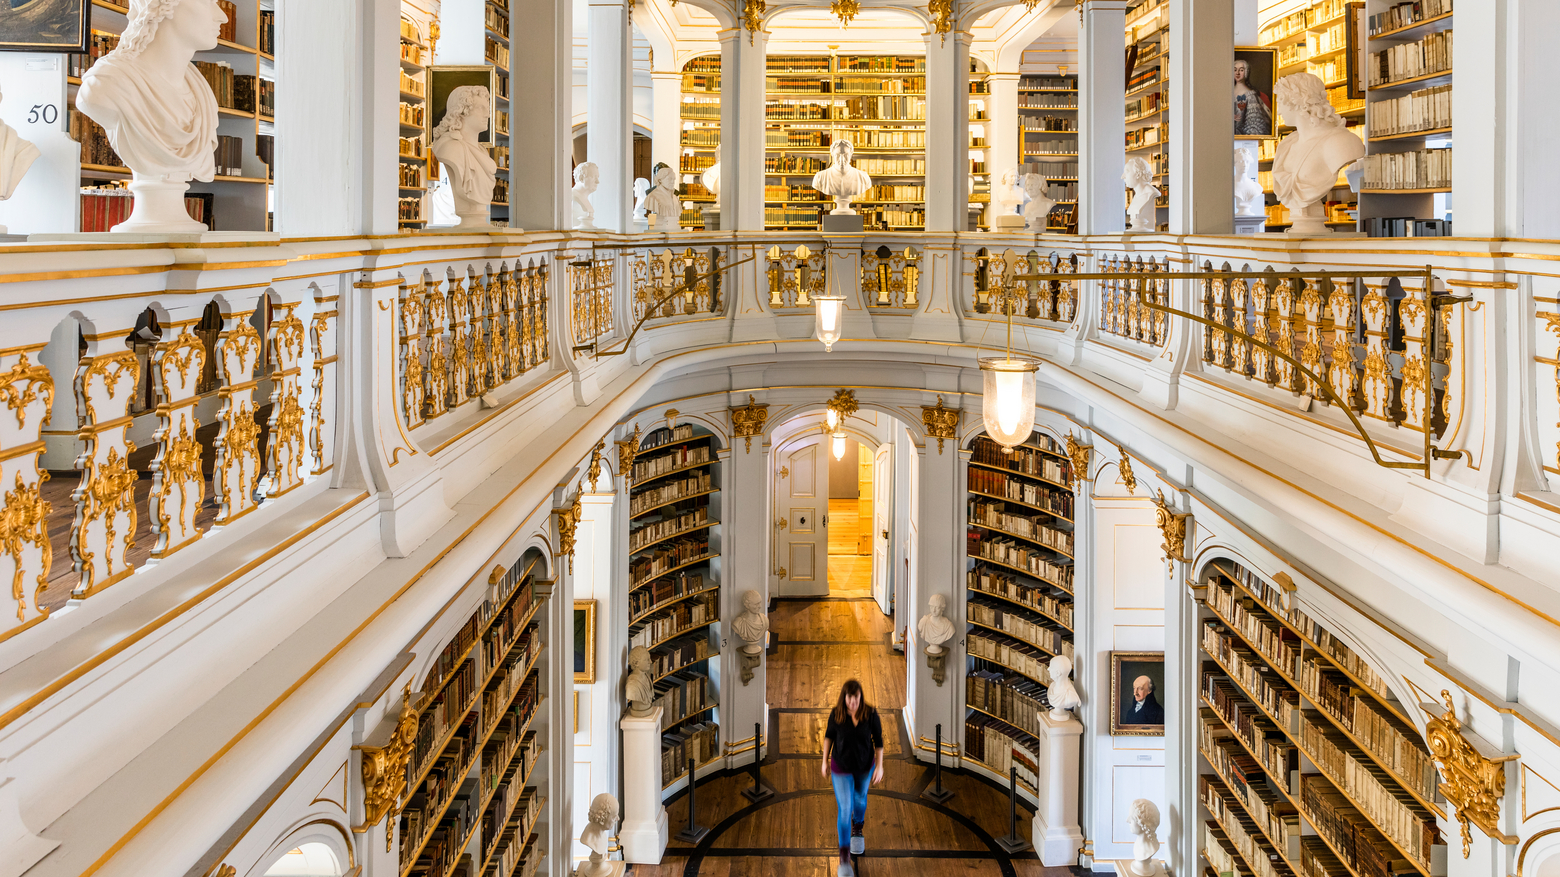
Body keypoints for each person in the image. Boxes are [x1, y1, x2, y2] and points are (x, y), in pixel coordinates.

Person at [822, 679, 884, 877]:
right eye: (849, 698)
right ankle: (844, 858)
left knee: (859, 800)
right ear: (845, 697)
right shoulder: (837, 714)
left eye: (856, 697)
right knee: (845, 809)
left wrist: (880, 766)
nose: (853, 702)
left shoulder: (871, 714)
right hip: (841, 768)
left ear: (860, 696)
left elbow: (879, 741)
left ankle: (857, 828)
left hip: (864, 767)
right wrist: (824, 761)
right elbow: (829, 736)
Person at [429, 85, 497, 228]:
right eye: (481, 108)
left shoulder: (482, 152)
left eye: (487, 108)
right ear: (461, 112)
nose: (487, 115)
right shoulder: (451, 148)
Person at [1234, 59, 1272, 137]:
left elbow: (1254, 124)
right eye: (1235, 70)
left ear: (1246, 72)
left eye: (1241, 70)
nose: (1237, 73)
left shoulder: (1251, 96)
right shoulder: (1226, 94)